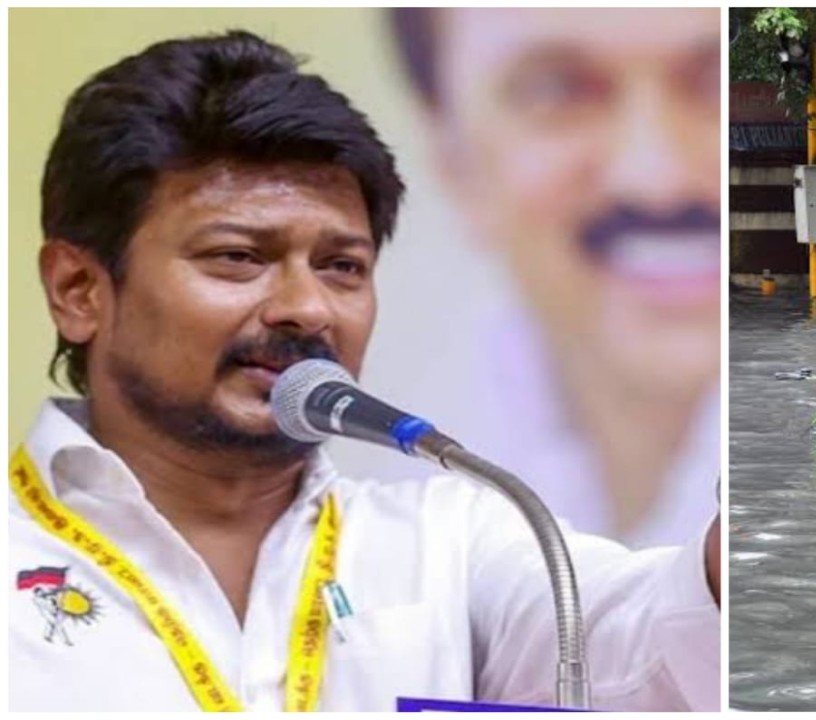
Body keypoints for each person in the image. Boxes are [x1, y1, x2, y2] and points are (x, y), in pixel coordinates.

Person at [11, 32, 719, 712]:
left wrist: (738, 549)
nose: (306, 308)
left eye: (341, 267)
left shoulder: (449, 542)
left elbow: (650, 644)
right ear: (79, 291)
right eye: (238, 257)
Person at [378, 8, 721, 547]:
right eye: (556, 92)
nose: (656, 177)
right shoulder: (391, 503)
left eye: (716, 81)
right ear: (452, 162)